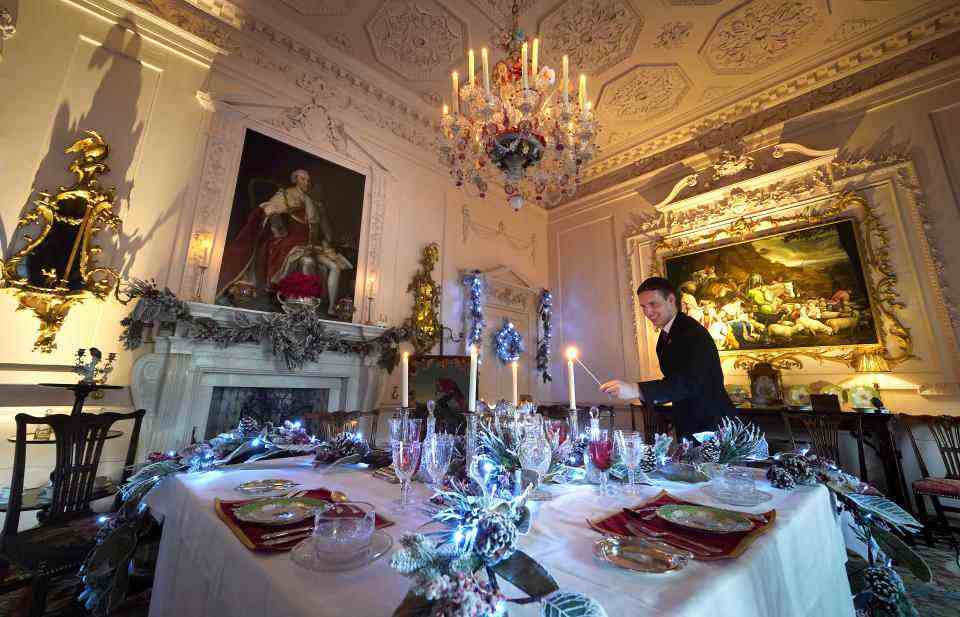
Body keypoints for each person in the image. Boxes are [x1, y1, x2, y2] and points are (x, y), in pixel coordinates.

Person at [600, 276, 735, 438]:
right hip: (690, 423)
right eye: (643, 306)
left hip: (711, 426)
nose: (647, 312)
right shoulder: (665, 336)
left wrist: (636, 389)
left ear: (671, 300)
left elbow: (689, 381)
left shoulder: (692, 332)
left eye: (652, 304)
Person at [217, 169, 352, 314]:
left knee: (335, 266)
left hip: (311, 245)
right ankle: (303, 306)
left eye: (308, 180)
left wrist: (326, 238)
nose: (306, 182)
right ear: (295, 180)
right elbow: (269, 210)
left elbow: (325, 233)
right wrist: (277, 228)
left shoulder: (314, 203)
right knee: (308, 262)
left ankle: (331, 308)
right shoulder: (285, 195)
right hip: (291, 242)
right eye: (302, 179)